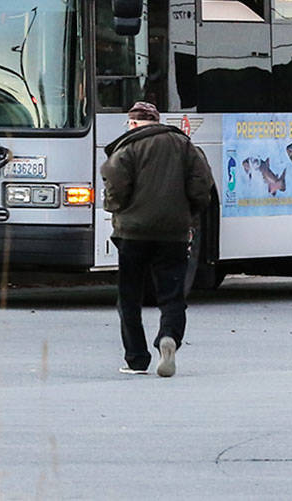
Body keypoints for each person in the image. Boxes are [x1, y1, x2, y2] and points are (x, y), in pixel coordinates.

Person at [100, 101, 213, 378]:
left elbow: (114, 180)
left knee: (129, 297)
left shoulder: (127, 147)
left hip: (132, 233)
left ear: (135, 123)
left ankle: (136, 358)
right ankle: (169, 337)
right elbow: (202, 183)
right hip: (173, 233)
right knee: (172, 294)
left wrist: (115, 206)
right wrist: (189, 212)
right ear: (157, 121)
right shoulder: (185, 146)